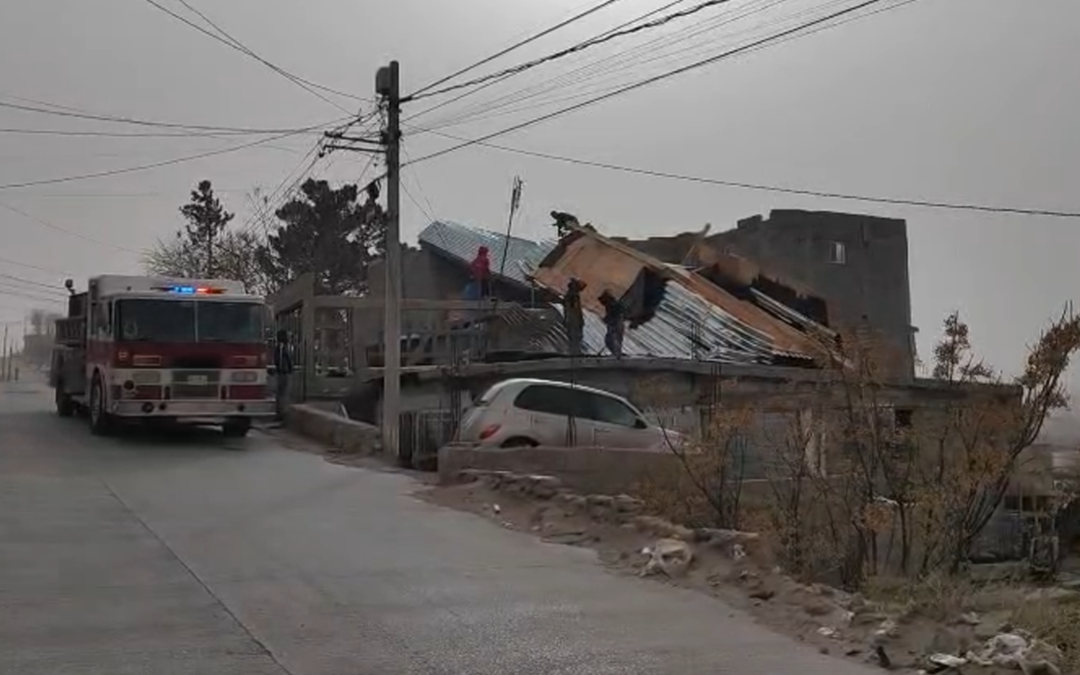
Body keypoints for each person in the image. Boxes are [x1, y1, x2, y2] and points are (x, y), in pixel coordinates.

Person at [273, 329, 294, 422]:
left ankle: (281, 412)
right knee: (283, 393)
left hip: (282, 372)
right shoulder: (282, 348)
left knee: (281, 393)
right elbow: (283, 360)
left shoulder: (282, 348)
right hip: (283, 372)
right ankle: (281, 413)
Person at [598, 290, 626, 358]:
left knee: (611, 340)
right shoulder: (613, 304)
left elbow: (612, 316)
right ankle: (616, 353)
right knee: (613, 340)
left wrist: (605, 319)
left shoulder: (612, 305)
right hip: (617, 325)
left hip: (615, 325)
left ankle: (617, 354)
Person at [563, 277, 587, 356]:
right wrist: (579, 319)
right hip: (573, 320)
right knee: (575, 337)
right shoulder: (573, 295)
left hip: (573, 319)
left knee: (575, 337)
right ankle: (575, 352)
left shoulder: (571, 295)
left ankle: (575, 351)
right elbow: (574, 309)